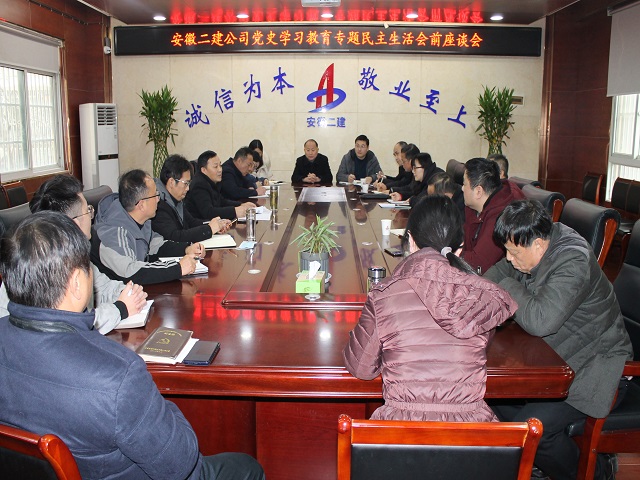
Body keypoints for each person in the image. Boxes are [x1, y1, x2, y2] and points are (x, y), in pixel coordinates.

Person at [0, 211, 265, 480]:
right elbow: (180, 465)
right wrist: (160, 405)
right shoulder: (118, 375)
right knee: (246, 467)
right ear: (77, 283)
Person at [486, 200, 632, 480]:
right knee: (489, 397)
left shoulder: (573, 262)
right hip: (557, 361)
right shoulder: (532, 242)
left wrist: (505, 286)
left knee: (531, 429)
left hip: (596, 370)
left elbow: (540, 321)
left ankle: (599, 472)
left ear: (538, 245)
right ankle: (541, 462)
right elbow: (500, 272)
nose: (509, 259)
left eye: (513, 253)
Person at [343, 195, 518, 422]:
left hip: (401, 433)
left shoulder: (384, 294)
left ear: (410, 241)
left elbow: (361, 368)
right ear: (459, 249)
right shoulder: (482, 296)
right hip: (470, 435)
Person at [0, 174, 147, 334]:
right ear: (74, 223)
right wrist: (120, 309)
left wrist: (129, 294)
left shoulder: (70, 253)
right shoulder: (43, 266)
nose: (92, 218)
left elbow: (103, 286)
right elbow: (71, 325)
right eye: (88, 211)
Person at [92, 169, 203, 285]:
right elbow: (131, 272)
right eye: (155, 195)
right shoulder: (114, 232)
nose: (158, 200)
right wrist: (178, 268)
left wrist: (186, 249)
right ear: (141, 205)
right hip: (120, 293)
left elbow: (156, 246)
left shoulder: (141, 220)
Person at [461, 157, 522, 274]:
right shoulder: (473, 206)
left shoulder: (502, 215)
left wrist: (449, 253)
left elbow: (478, 265)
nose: (462, 188)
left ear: (478, 191)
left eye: (464, 184)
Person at [153, 154, 231, 243]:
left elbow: (192, 222)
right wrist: (209, 229)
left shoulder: (176, 198)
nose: (188, 188)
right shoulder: (158, 203)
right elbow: (174, 236)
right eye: (185, 183)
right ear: (171, 182)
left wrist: (216, 225)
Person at [186, 150, 254, 221]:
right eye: (215, 167)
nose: (220, 170)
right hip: (201, 225)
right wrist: (234, 211)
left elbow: (221, 201)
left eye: (220, 165)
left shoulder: (211, 181)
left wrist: (241, 205)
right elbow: (208, 212)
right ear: (204, 170)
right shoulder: (199, 185)